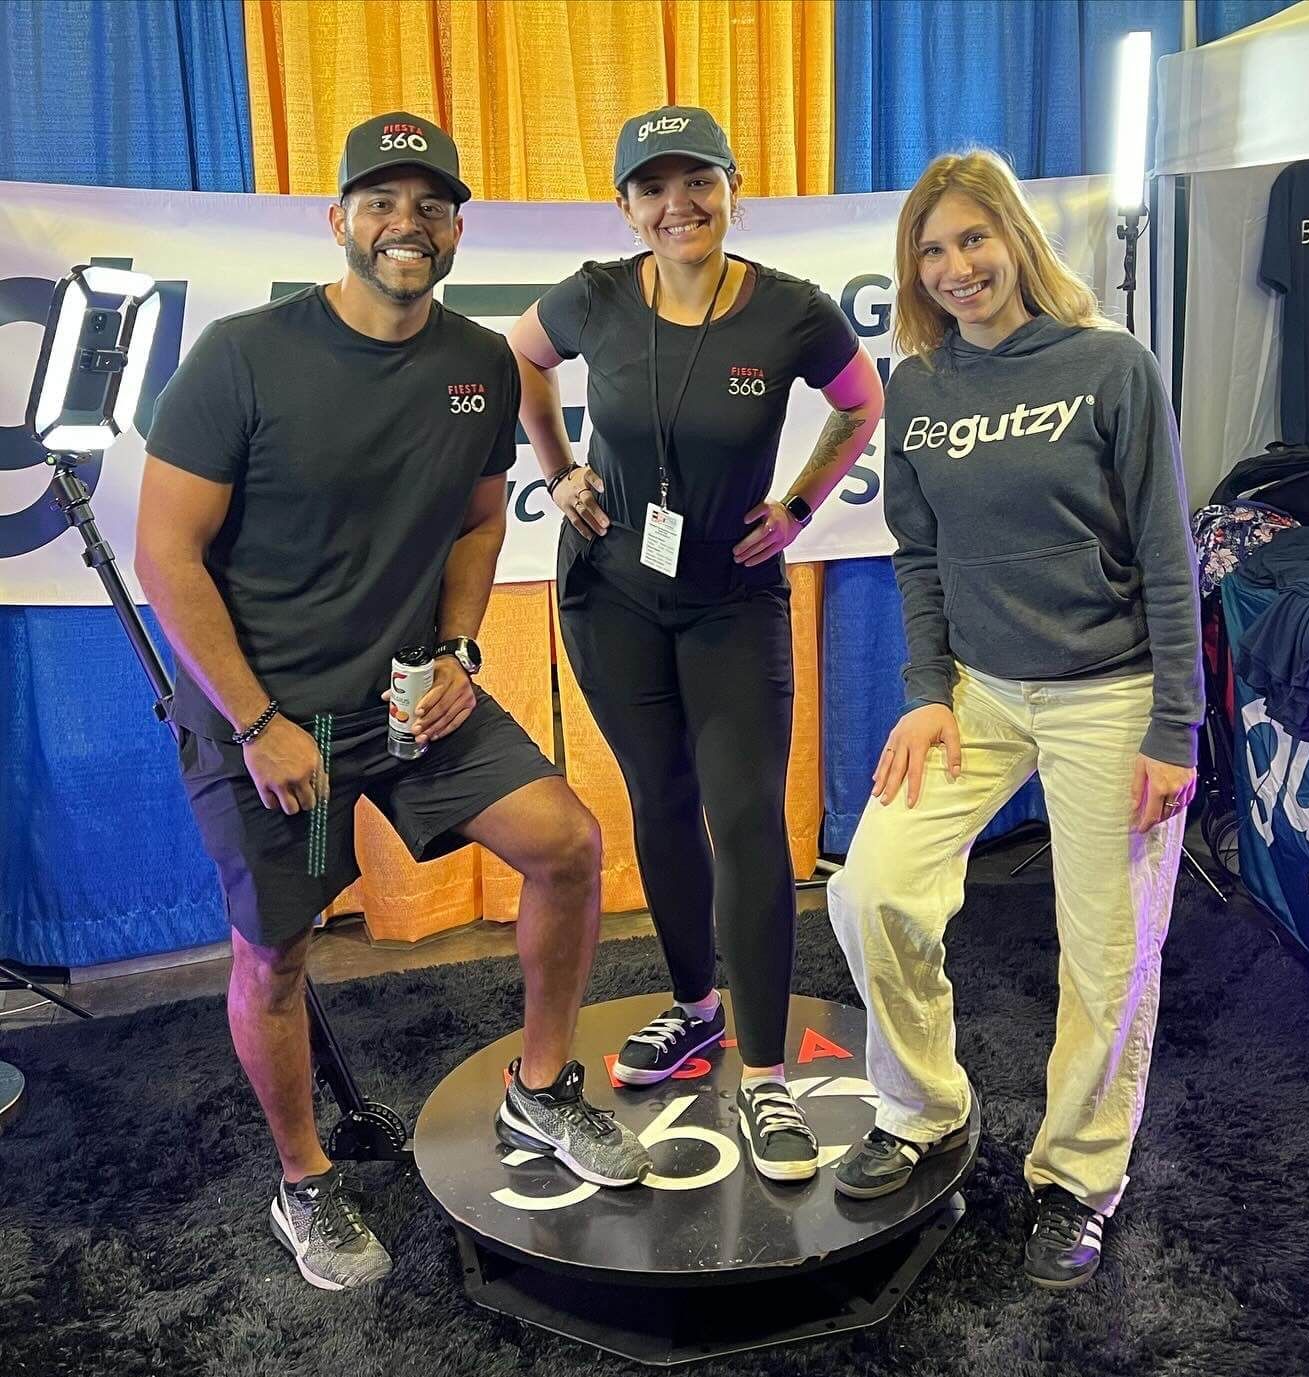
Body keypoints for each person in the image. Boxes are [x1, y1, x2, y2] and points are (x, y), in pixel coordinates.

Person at [136, 112, 651, 1293]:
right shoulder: (242, 356)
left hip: (415, 703)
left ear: (459, 228)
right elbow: (168, 554)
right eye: (381, 200)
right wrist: (258, 722)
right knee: (275, 956)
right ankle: (304, 1182)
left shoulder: (476, 366)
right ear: (339, 220)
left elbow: (478, 523)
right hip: (270, 720)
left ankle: (539, 1095)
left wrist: (460, 648)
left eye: (430, 205)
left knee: (567, 846)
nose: (404, 224)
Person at [827, 151, 1202, 1288]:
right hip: (982, 693)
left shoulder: (1109, 365)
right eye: (931, 251)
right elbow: (922, 554)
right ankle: (925, 1107)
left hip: (1112, 693)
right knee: (872, 886)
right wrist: (926, 695)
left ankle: (1079, 1179)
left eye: (972, 241)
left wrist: (1174, 729)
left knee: (1105, 955)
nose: (955, 267)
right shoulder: (922, 387)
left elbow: (1171, 558)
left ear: (1017, 241)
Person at [508, 106, 883, 1182]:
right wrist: (557, 466)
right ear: (626, 207)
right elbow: (522, 360)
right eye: (654, 187)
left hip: (731, 599)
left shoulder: (791, 313)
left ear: (732, 188)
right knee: (658, 804)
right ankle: (696, 1012)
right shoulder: (595, 297)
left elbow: (861, 404)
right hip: (612, 597)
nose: (679, 205)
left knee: (748, 817)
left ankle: (764, 1080)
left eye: (698, 182)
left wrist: (802, 505)